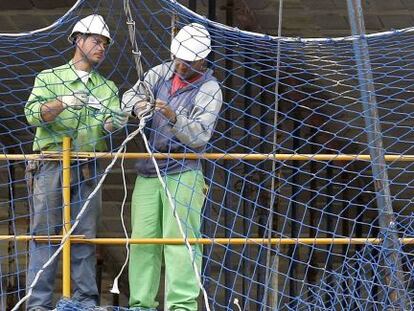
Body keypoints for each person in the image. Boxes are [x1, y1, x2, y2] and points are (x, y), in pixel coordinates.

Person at [24, 14, 128, 310]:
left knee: (83, 237)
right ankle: (38, 303)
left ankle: (84, 302)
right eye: (96, 41)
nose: (101, 48)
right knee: (44, 235)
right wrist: (62, 103)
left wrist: (115, 122)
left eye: (105, 44)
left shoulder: (107, 88)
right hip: (51, 164)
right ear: (78, 40)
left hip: (86, 166)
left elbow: (108, 123)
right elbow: (32, 114)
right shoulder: (49, 78)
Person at [122, 23, 222, 311]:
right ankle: (141, 304)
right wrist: (139, 106)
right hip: (149, 169)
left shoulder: (209, 89)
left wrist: (172, 115)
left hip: (184, 171)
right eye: (178, 58)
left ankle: (181, 306)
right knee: (142, 241)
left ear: (201, 60)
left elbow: (201, 136)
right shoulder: (160, 73)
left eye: (187, 62)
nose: (180, 65)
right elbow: (129, 96)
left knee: (181, 241)